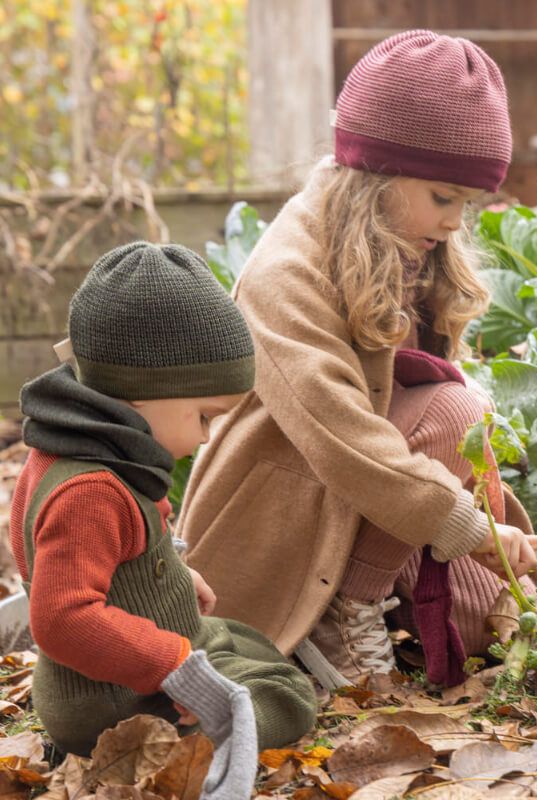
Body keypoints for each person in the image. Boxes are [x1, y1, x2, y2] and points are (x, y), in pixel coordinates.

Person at [177, 30, 537, 690]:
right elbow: (344, 439)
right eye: (443, 198)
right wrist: (466, 527)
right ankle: (343, 610)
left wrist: (487, 538)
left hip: (367, 494)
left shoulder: (403, 245)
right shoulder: (286, 273)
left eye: (467, 204)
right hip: (281, 505)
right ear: (375, 174)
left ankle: (380, 593)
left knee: (479, 634)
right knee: (453, 409)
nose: (454, 223)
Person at [9, 242, 317, 800]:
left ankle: (158, 726)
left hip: (118, 664)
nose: (203, 437)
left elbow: (111, 550)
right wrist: (174, 665)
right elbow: (60, 617)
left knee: (250, 643)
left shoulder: (76, 447)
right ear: (143, 395)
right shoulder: (90, 489)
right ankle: (173, 747)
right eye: (203, 416)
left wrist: (171, 568)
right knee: (284, 694)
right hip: (109, 693)